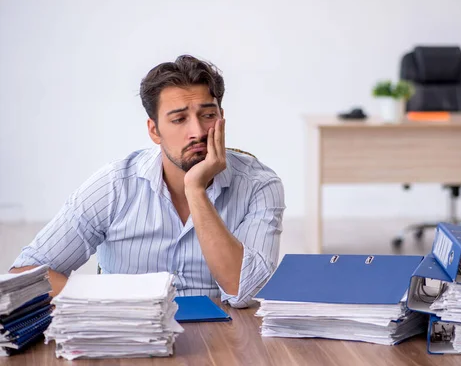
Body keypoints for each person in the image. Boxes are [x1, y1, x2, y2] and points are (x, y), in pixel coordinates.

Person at [10, 55, 285, 308]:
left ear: (222, 119)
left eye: (208, 115)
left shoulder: (259, 185)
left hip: (226, 341)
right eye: (179, 119)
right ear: (154, 130)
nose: (198, 132)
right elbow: (23, 275)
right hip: (130, 336)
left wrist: (196, 190)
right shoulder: (114, 185)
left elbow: (245, 292)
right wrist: (108, 301)